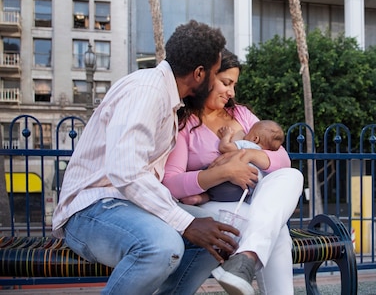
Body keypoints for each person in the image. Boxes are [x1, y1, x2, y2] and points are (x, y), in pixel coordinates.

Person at [52, 20, 239, 295]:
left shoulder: (166, 98)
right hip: (89, 210)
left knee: (217, 238)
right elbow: (125, 171)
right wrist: (186, 222)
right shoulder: (147, 91)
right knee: (163, 247)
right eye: (214, 74)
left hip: (125, 205)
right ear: (199, 74)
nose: (215, 84)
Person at [163, 49, 304, 295]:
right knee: (276, 231)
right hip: (211, 204)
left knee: (293, 176)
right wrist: (226, 172)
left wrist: (249, 155)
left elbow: (281, 158)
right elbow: (171, 183)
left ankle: (244, 260)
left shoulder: (240, 114)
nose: (232, 92)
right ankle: (245, 261)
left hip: (254, 197)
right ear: (204, 77)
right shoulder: (183, 122)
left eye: (234, 85)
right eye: (226, 83)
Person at [182, 119, 286, 205]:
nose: (245, 135)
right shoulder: (264, 159)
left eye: (248, 133)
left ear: (255, 138)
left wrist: (227, 135)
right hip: (242, 193)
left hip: (226, 182)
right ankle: (203, 198)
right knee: (212, 195)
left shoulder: (247, 145)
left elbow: (224, 147)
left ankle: (198, 195)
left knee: (206, 169)